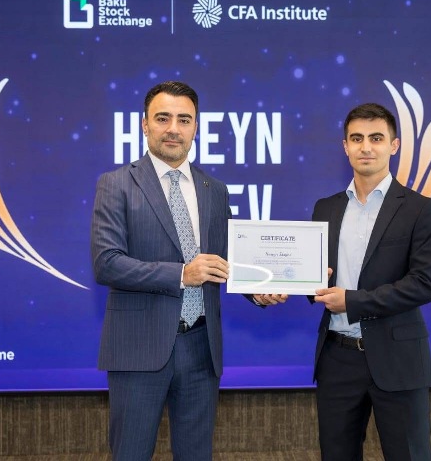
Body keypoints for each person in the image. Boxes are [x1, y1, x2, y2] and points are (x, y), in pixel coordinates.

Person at [90, 80, 285, 461]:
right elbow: (107, 262)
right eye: (162, 118)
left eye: (184, 119)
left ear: (196, 127)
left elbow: (227, 260)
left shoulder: (215, 190)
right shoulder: (116, 184)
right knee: (130, 454)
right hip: (139, 348)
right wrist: (182, 274)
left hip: (201, 348)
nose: (173, 129)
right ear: (144, 124)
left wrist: (259, 290)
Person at [311, 103, 431, 461]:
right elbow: (316, 276)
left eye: (376, 138)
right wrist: (286, 285)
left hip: (398, 358)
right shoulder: (325, 208)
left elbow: (424, 283)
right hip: (337, 358)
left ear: (393, 145)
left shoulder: (421, 209)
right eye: (356, 139)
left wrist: (352, 301)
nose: (366, 147)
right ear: (345, 147)